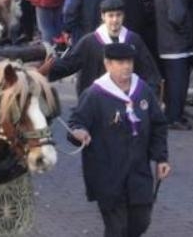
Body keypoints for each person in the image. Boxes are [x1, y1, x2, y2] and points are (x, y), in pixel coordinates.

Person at [68, 42, 170, 237]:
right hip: (108, 174)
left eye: (129, 61)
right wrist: (79, 133)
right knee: (117, 229)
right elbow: (76, 123)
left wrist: (161, 158)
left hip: (138, 172)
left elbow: (158, 124)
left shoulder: (143, 91)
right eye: (120, 62)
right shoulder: (94, 95)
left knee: (141, 222)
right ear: (108, 64)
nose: (127, 66)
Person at [42, 0, 161, 97]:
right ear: (103, 17)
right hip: (96, 101)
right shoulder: (89, 42)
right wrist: (47, 69)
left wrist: (150, 96)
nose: (115, 20)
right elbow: (70, 64)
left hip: (127, 99)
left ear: (123, 16)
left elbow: (149, 71)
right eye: (111, 15)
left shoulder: (133, 40)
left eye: (118, 15)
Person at [154, 0, 193, 130]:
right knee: (178, 84)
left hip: (168, 44)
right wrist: (186, 33)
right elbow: (177, 17)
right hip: (176, 45)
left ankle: (173, 115)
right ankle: (174, 117)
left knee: (172, 83)